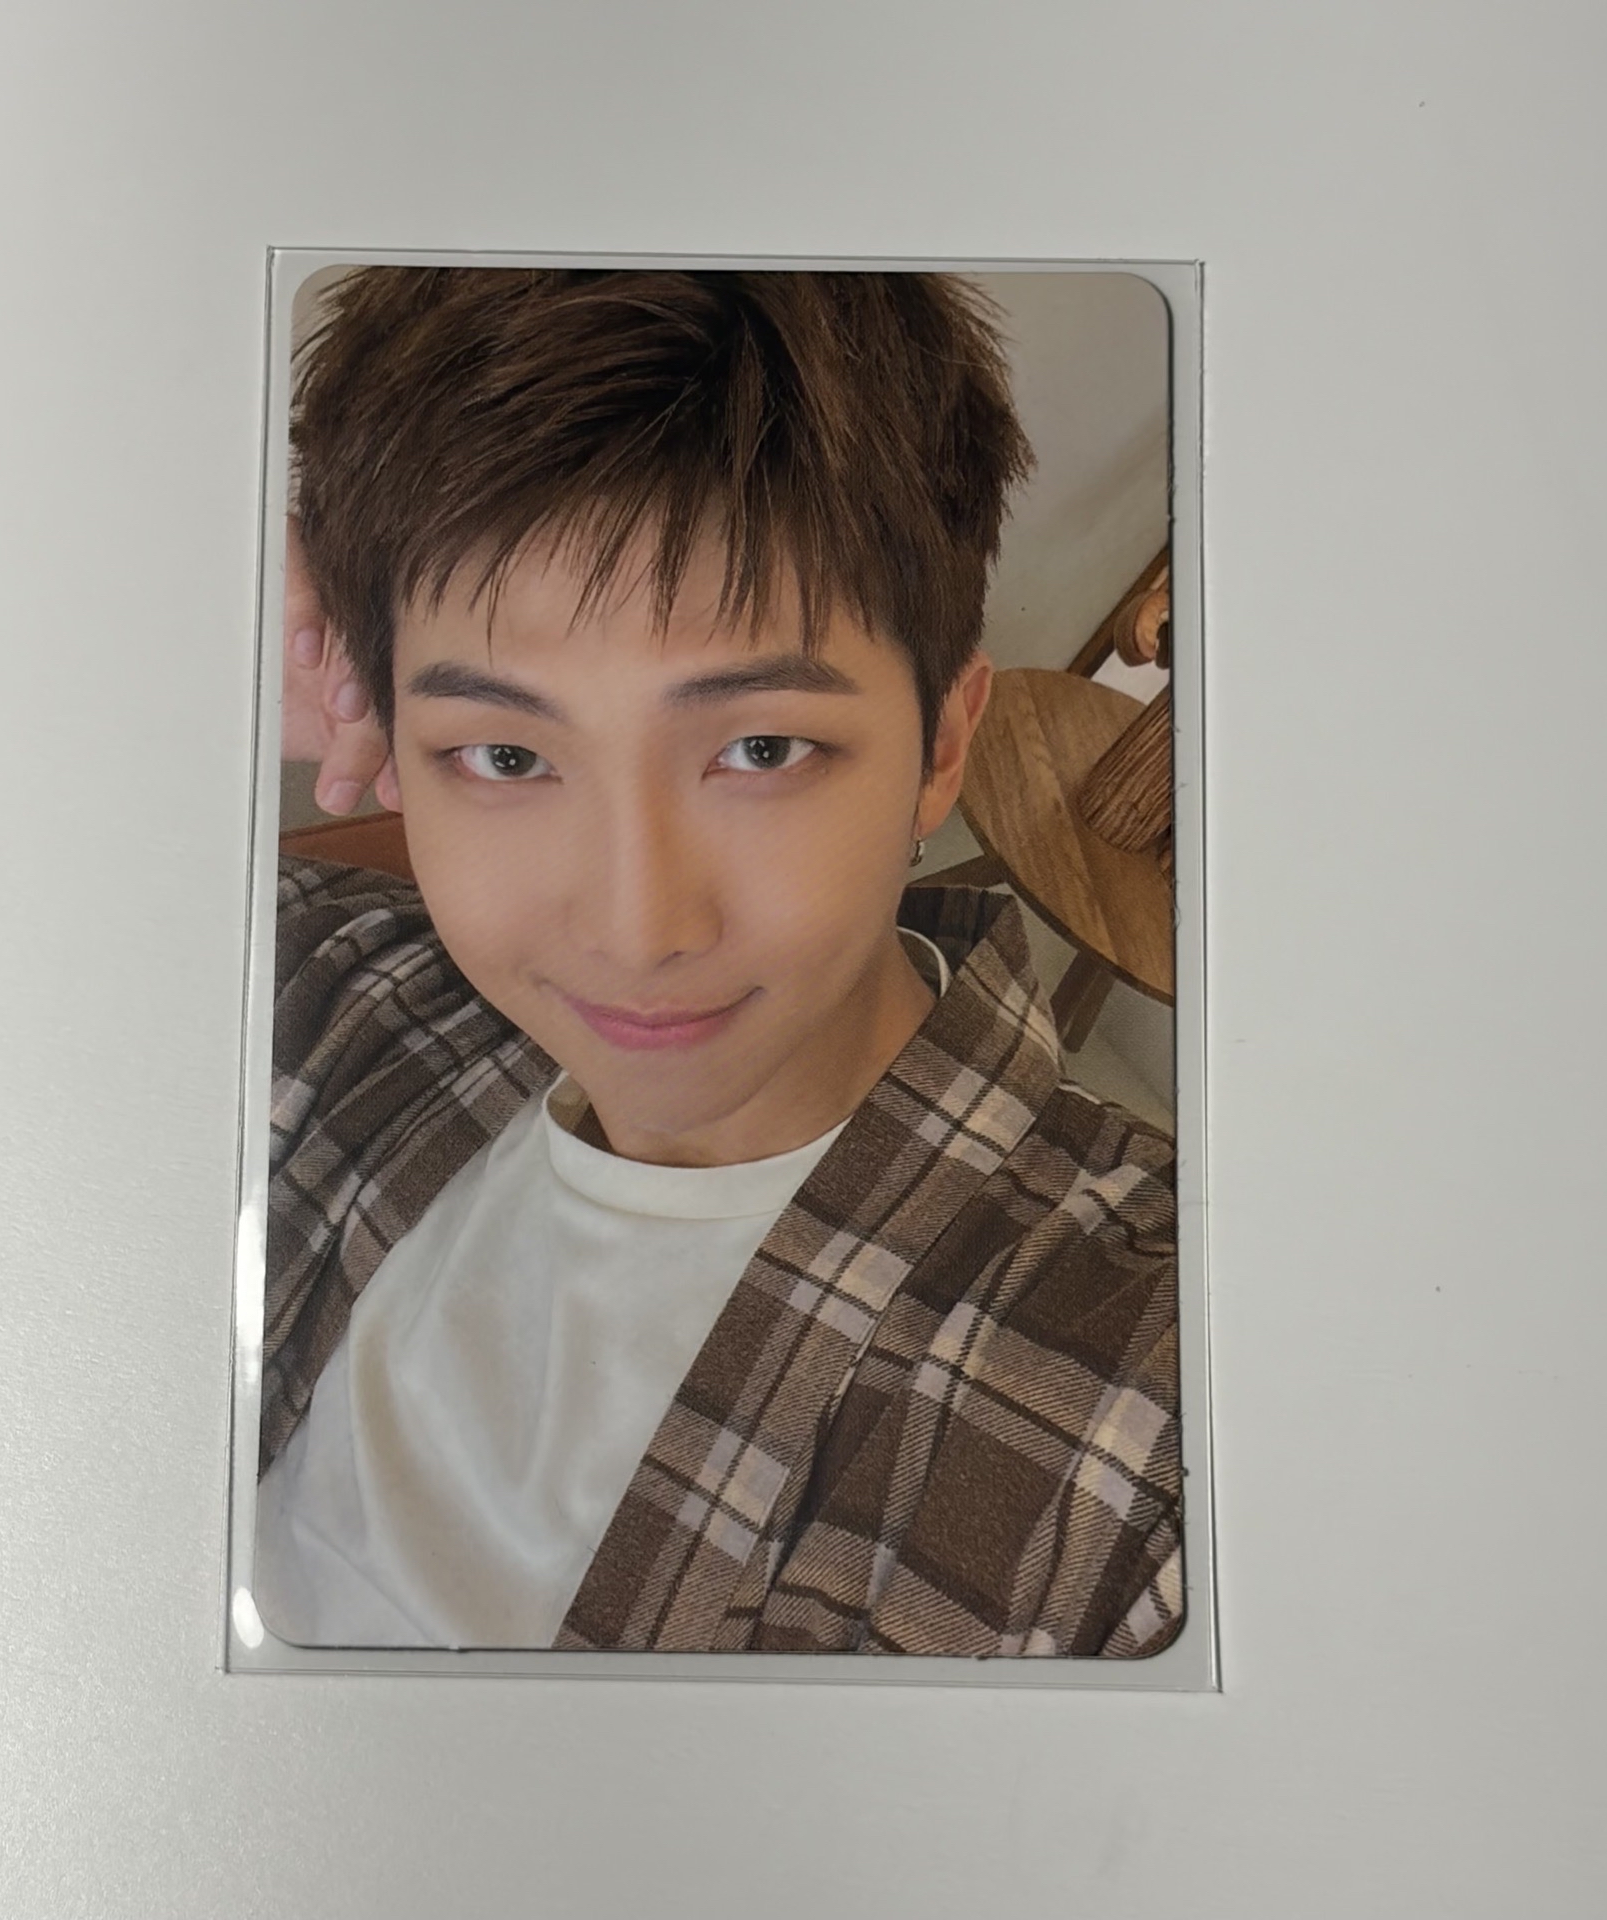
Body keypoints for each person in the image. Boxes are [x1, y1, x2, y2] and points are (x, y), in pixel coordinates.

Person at [255, 267, 1182, 1656]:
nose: (636, 930)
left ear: (942, 743)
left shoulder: (1160, 1419)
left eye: (761, 748)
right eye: (505, 755)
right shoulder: (320, 994)